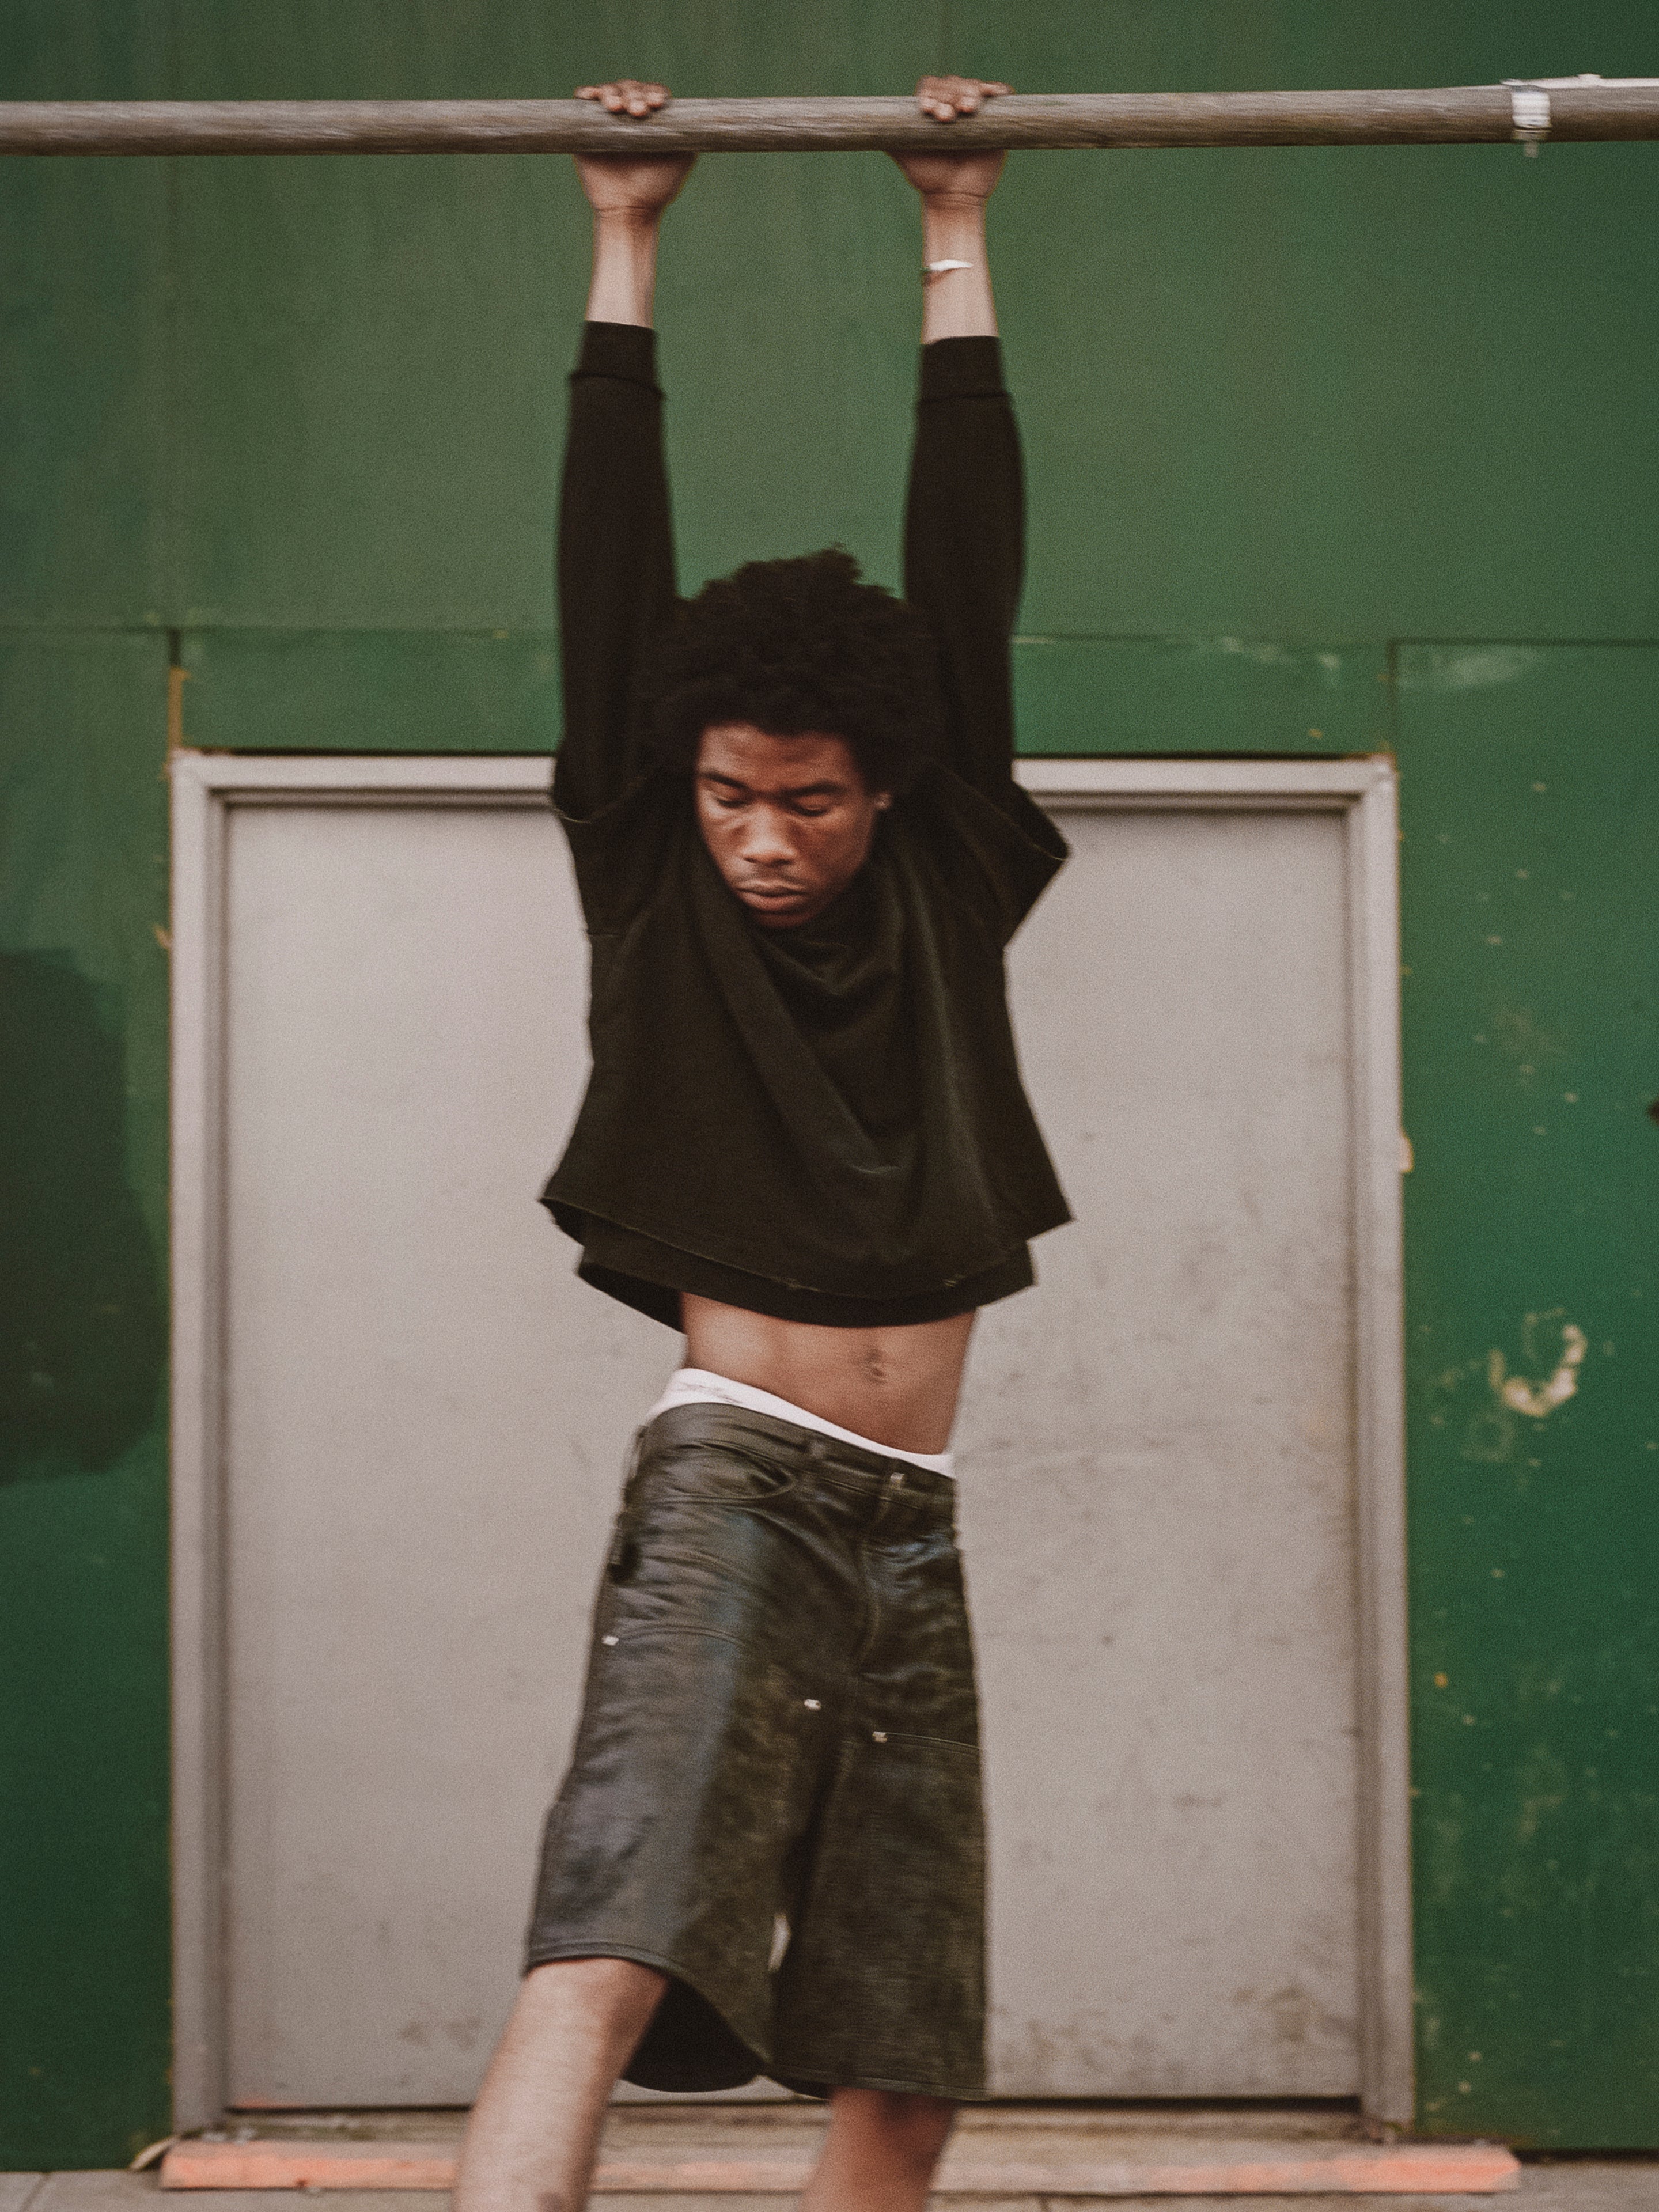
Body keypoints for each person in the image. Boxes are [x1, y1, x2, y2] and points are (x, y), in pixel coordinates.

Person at [456, 71, 1070, 2212]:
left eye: (805, 798)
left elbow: (968, 566)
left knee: (904, 2063)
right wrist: (625, 242)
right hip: (741, 1489)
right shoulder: (648, 871)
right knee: (612, 1946)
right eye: (730, 794)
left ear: (885, 784)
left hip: (918, 1519)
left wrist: (956, 226)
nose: (764, 837)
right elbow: (606, 580)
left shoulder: (950, 866)